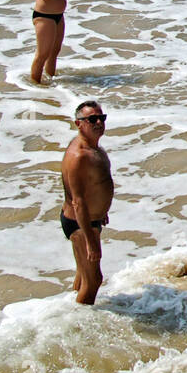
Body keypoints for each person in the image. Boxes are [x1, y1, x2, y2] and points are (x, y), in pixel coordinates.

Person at [61, 100, 114, 305]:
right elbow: (78, 202)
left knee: (84, 276)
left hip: (92, 221)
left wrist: (102, 209)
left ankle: (69, 307)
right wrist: (92, 244)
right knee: (93, 281)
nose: (98, 122)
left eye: (102, 118)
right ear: (78, 124)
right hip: (81, 225)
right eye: (92, 119)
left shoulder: (93, 147)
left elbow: (94, 185)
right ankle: (78, 324)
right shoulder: (79, 156)